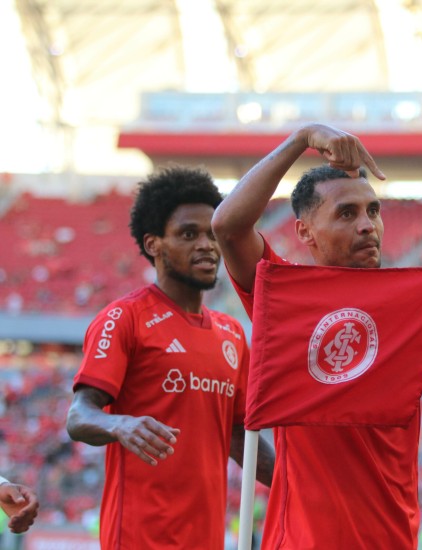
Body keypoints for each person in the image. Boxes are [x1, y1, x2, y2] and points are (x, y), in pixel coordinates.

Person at [211, 123, 422, 548]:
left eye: (373, 211)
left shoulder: (411, 310)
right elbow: (228, 226)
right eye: (347, 214)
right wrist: (302, 138)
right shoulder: (283, 296)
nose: (367, 225)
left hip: (388, 539)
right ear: (305, 232)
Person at [66, 167, 275, 549]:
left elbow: (237, 436)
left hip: (207, 538)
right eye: (188, 234)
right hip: (138, 538)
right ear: (153, 245)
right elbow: (79, 415)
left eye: (212, 234)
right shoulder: (124, 318)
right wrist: (120, 426)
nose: (207, 246)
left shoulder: (231, 333)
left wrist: (300, 479)